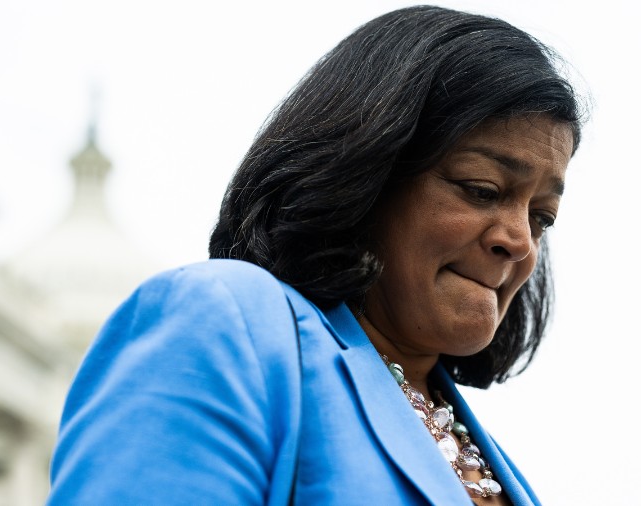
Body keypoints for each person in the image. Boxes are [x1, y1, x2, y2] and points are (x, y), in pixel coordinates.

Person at [48, 5, 583, 505]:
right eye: (482, 189)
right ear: (367, 173)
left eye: (542, 218)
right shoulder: (224, 325)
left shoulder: (501, 465)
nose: (519, 241)